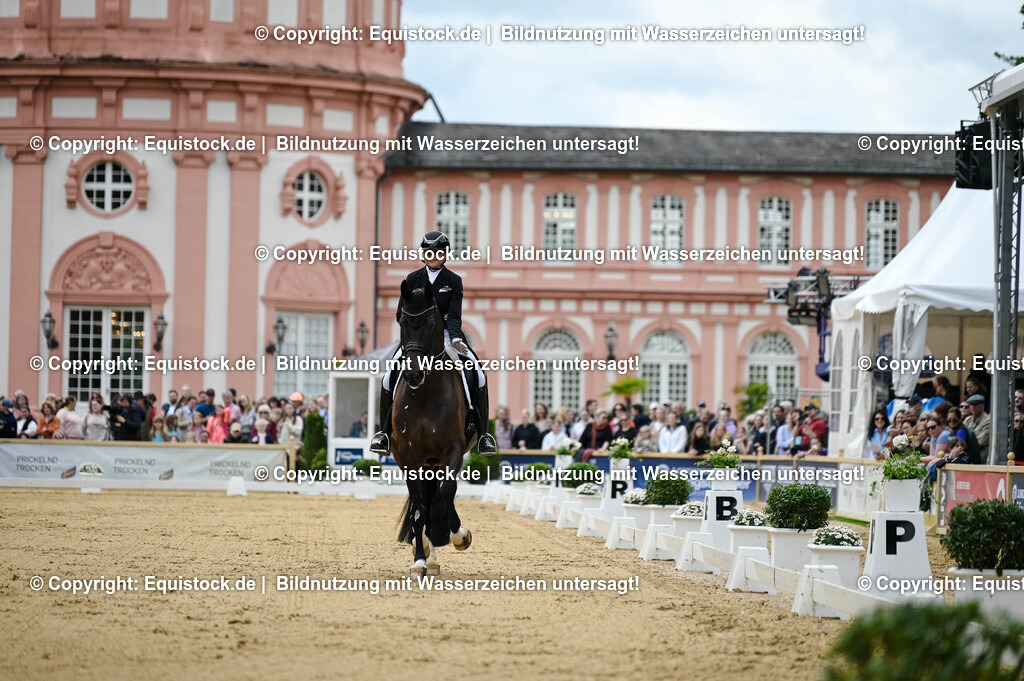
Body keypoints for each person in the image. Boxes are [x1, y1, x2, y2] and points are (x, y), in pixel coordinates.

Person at [370, 230, 497, 455]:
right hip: (417, 339)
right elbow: (401, 314)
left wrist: (456, 337)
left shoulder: (453, 281)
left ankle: (483, 434)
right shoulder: (412, 280)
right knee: (389, 377)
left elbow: (455, 315)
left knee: (477, 372)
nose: (433, 256)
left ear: (445, 254)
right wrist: (412, 331)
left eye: (438, 252)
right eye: (429, 252)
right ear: (423, 254)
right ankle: (384, 434)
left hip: (447, 335)